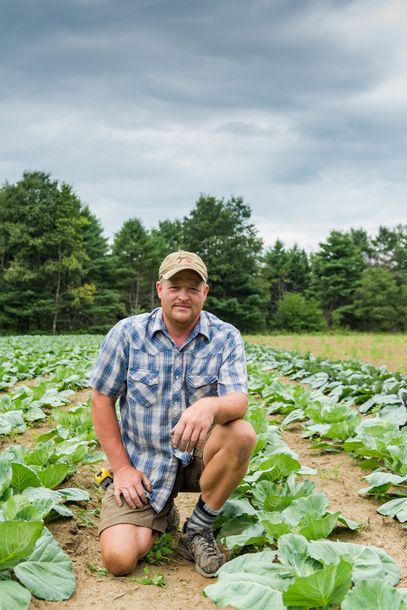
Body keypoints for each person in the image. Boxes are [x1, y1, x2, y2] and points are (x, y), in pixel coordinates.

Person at [89, 250, 256, 578]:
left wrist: (209, 405)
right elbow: (101, 399)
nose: (184, 295)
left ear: (204, 293)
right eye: (175, 286)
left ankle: (197, 529)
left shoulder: (225, 337)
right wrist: (121, 469)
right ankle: (162, 514)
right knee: (119, 560)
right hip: (145, 466)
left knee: (241, 433)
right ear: (159, 289)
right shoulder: (128, 334)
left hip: (198, 459)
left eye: (193, 288)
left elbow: (238, 400)